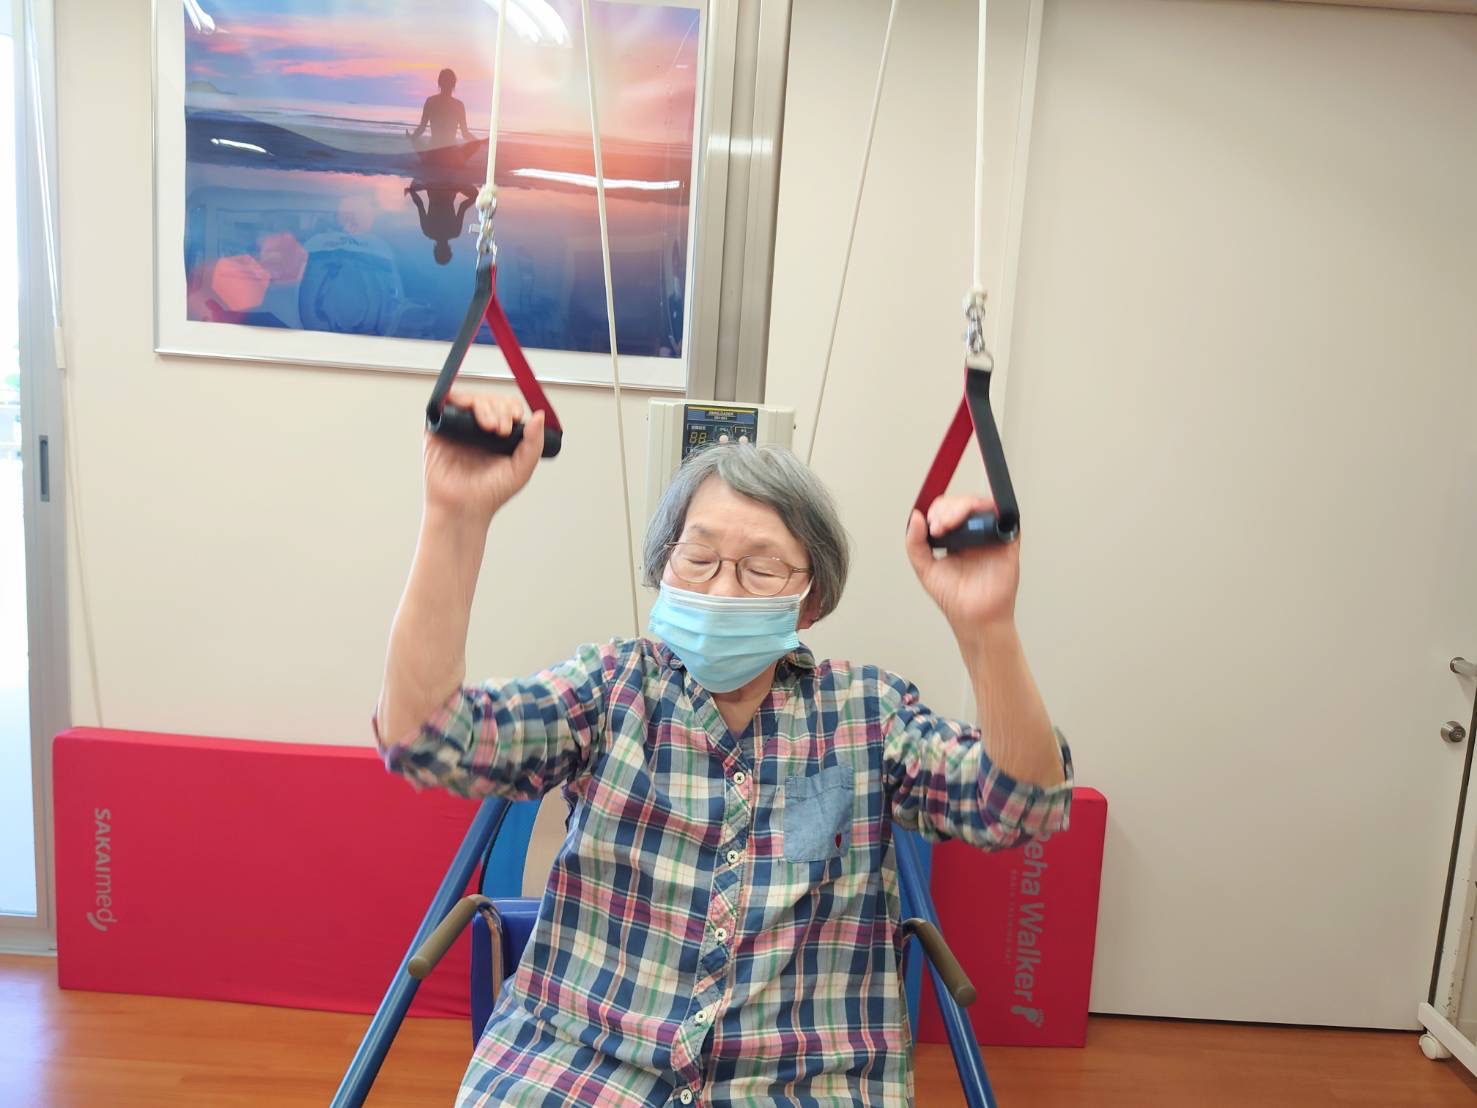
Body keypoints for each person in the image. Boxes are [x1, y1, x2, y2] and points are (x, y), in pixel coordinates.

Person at [376, 391, 1073, 1107]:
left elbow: (1019, 807)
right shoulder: (611, 688)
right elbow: (427, 737)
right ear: (664, 566)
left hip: (800, 1080)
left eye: (762, 570)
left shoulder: (867, 714)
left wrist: (987, 629)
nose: (722, 591)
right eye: (698, 558)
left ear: (810, 601)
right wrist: (454, 517)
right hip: (583, 1066)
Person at [410, 68, 476, 152]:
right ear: (454, 84)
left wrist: (412, 137)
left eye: (448, 82)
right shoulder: (458, 105)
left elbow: (422, 128)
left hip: (435, 149)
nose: (447, 85)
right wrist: (479, 142)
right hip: (450, 151)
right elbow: (465, 133)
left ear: (439, 83)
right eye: (446, 82)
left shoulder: (431, 101)